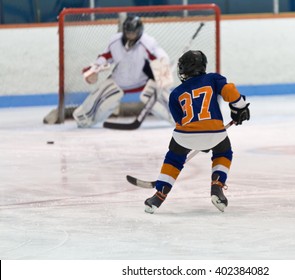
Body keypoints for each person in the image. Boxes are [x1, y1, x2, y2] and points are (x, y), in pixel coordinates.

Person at [144, 50, 250, 214]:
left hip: (185, 136)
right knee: (224, 152)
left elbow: (180, 120)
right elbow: (230, 91)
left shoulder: (176, 93)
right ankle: (217, 187)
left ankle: (158, 195)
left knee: (174, 159)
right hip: (215, 133)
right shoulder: (213, 78)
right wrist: (239, 108)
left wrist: (197, 138)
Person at [73, 15, 174, 128]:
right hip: (119, 81)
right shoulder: (115, 41)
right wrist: (95, 68)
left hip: (143, 82)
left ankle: (181, 117)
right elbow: (105, 57)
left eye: (133, 33)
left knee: (164, 101)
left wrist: (164, 65)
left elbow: (159, 55)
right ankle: (84, 120)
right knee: (96, 105)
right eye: (128, 32)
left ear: (139, 31)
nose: (130, 36)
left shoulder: (147, 42)